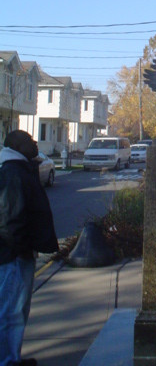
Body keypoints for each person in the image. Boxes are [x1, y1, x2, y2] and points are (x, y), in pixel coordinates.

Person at [0, 130, 58, 366]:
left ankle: (12, 356)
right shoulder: (13, 174)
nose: (35, 143)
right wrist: (21, 250)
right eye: (29, 140)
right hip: (13, 257)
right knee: (11, 312)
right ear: (17, 145)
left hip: (18, 253)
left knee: (17, 311)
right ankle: (7, 360)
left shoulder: (20, 170)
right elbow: (9, 219)